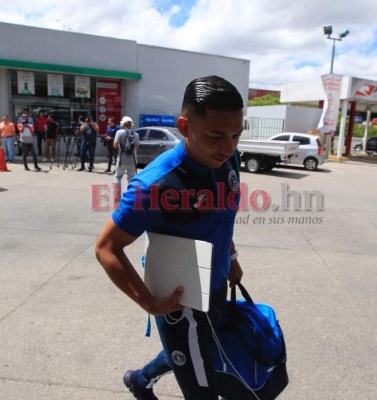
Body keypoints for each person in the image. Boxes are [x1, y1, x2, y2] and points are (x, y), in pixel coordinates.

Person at [95, 75, 244, 400]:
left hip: (216, 288)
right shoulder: (156, 186)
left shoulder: (227, 157)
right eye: (217, 135)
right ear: (184, 126)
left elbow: (221, 214)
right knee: (204, 388)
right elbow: (106, 248)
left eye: (237, 134)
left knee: (198, 355)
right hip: (182, 304)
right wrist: (148, 302)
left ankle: (140, 379)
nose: (229, 146)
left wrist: (230, 256)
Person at [113, 116, 139, 199]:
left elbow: (115, 145)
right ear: (131, 124)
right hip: (132, 162)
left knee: (118, 177)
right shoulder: (136, 134)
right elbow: (136, 148)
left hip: (122, 162)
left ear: (123, 124)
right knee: (131, 178)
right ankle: (130, 197)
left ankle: (117, 197)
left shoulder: (119, 132)